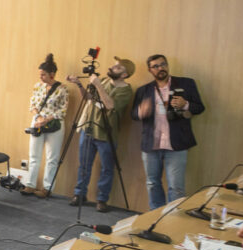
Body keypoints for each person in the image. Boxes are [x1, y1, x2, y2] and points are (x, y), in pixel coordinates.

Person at [130, 55, 205, 209]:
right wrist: (141, 112)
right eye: (156, 66)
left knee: (176, 187)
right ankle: (155, 217)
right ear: (150, 70)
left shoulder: (186, 83)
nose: (160, 68)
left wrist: (186, 104)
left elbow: (200, 108)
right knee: (152, 183)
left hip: (176, 144)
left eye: (163, 64)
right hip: (151, 144)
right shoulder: (143, 90)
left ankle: (173, 219)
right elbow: (133, 115)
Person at [67, 58, 134, 212]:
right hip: (89, 128)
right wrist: (78, 84)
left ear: (124, 74)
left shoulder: (126, 90)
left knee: (107, 168)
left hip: (107, 134)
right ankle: (80, 194)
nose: (112, 67)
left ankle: (102, 199)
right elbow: (89, 99)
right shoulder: (103, 81)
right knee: (84, 165)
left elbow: (110, 105)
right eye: (114, 65)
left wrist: (97, 85)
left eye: (117, 67)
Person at [24, 54, 68, 197]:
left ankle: (47, 188)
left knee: (52, 158)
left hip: (55, 125)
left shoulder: (62, 88)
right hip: (37, 122)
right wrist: (39, 117)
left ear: (52, 74)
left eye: (43, 75)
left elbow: (63, 109)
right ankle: (30, 185)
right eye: (40, 74)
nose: (40, 77)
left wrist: (47, 119)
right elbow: (32, 104)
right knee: (34, 155)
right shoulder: (37, 86)